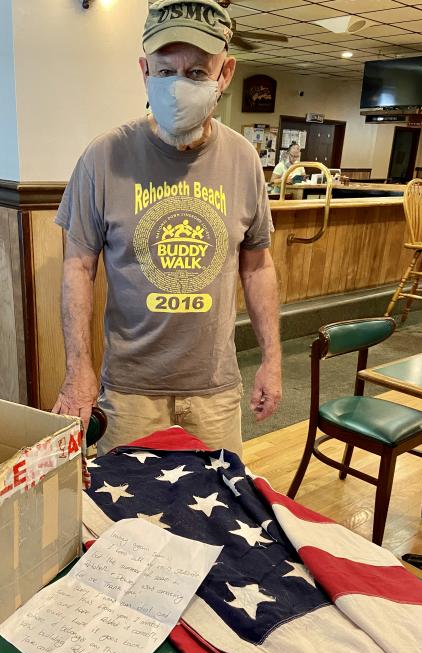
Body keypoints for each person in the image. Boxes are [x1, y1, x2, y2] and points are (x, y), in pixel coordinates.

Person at [53, 0, 282, 457]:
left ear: (225, 73)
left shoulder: (243, 160)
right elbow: (78, 266)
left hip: (215, 389)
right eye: (164, 71)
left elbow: (257, 266)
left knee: (219, 501)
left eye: (196, 72)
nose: (179, 85)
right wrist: (78, 370)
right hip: (130, 391)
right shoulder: (103, 157)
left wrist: (272, 360)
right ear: (144, 71)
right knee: (127, 503)